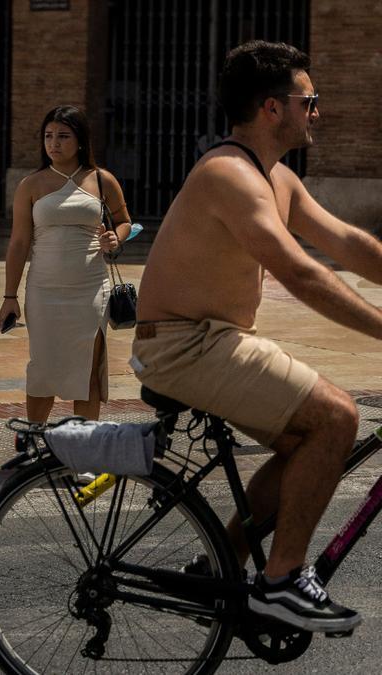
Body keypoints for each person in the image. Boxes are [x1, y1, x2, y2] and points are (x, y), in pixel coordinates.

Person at [133, 40, 371, 633]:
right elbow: (301, 270)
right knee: (337, 418)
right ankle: (281, 582)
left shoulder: (276, 177)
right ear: (272, 108)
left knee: (303, 443)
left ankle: (220, 560)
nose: (317, 111)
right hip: (185, 344)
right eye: (308, 100)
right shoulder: (229, 175)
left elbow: (345, 244)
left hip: (212, 340)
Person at [0, 106, 131, 424]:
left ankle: (83, 450)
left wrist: (115, 238)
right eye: (48, 136)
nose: (54, 143)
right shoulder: (30, 184)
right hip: (43, 289)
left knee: (88, 370)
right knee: (43, 368)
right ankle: (35, 445)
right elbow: (18, 243)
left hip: (91, 289)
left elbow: (125, 221)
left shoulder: (102, 179)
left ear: (81, 140)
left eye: (62, 136)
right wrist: (9, 296)